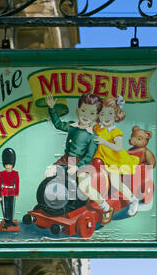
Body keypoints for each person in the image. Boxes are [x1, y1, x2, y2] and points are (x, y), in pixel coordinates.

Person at [45, 93, 115, 224]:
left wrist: (77, 166)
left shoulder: (92, 137)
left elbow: (89, 157)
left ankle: (106, 208)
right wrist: (52, 109)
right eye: (83, 111)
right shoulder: (73, 126)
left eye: (91, 113)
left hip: (82, 163)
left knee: (84, 187)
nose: (86, 116)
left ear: (97, 116)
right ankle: (58, 202)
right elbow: (58, 124)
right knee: (49, 173)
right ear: (77, 110)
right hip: (66, 159)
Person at [93, 97, 140, 217]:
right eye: (102, 114)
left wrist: (104, 142)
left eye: (110, 113)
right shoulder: (97, 128)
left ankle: (133, 199)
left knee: (115, 182)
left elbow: (118, 147)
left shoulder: (115, 132)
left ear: (116, 115)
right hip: (101, 158)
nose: (106, 117)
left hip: (114, 160)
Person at [0, 148, 19, 229]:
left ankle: (11, 220)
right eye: (7, 165)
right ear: (4, 165)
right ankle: (6, 221)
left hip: (12, 192)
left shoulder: (15, 173)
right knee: (6, 207)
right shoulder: (1, 173)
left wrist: (16, 194)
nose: (8, 166)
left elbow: (17, 184)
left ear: (12, 164)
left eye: (10, 165)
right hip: (5, 192)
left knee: (11, 207)